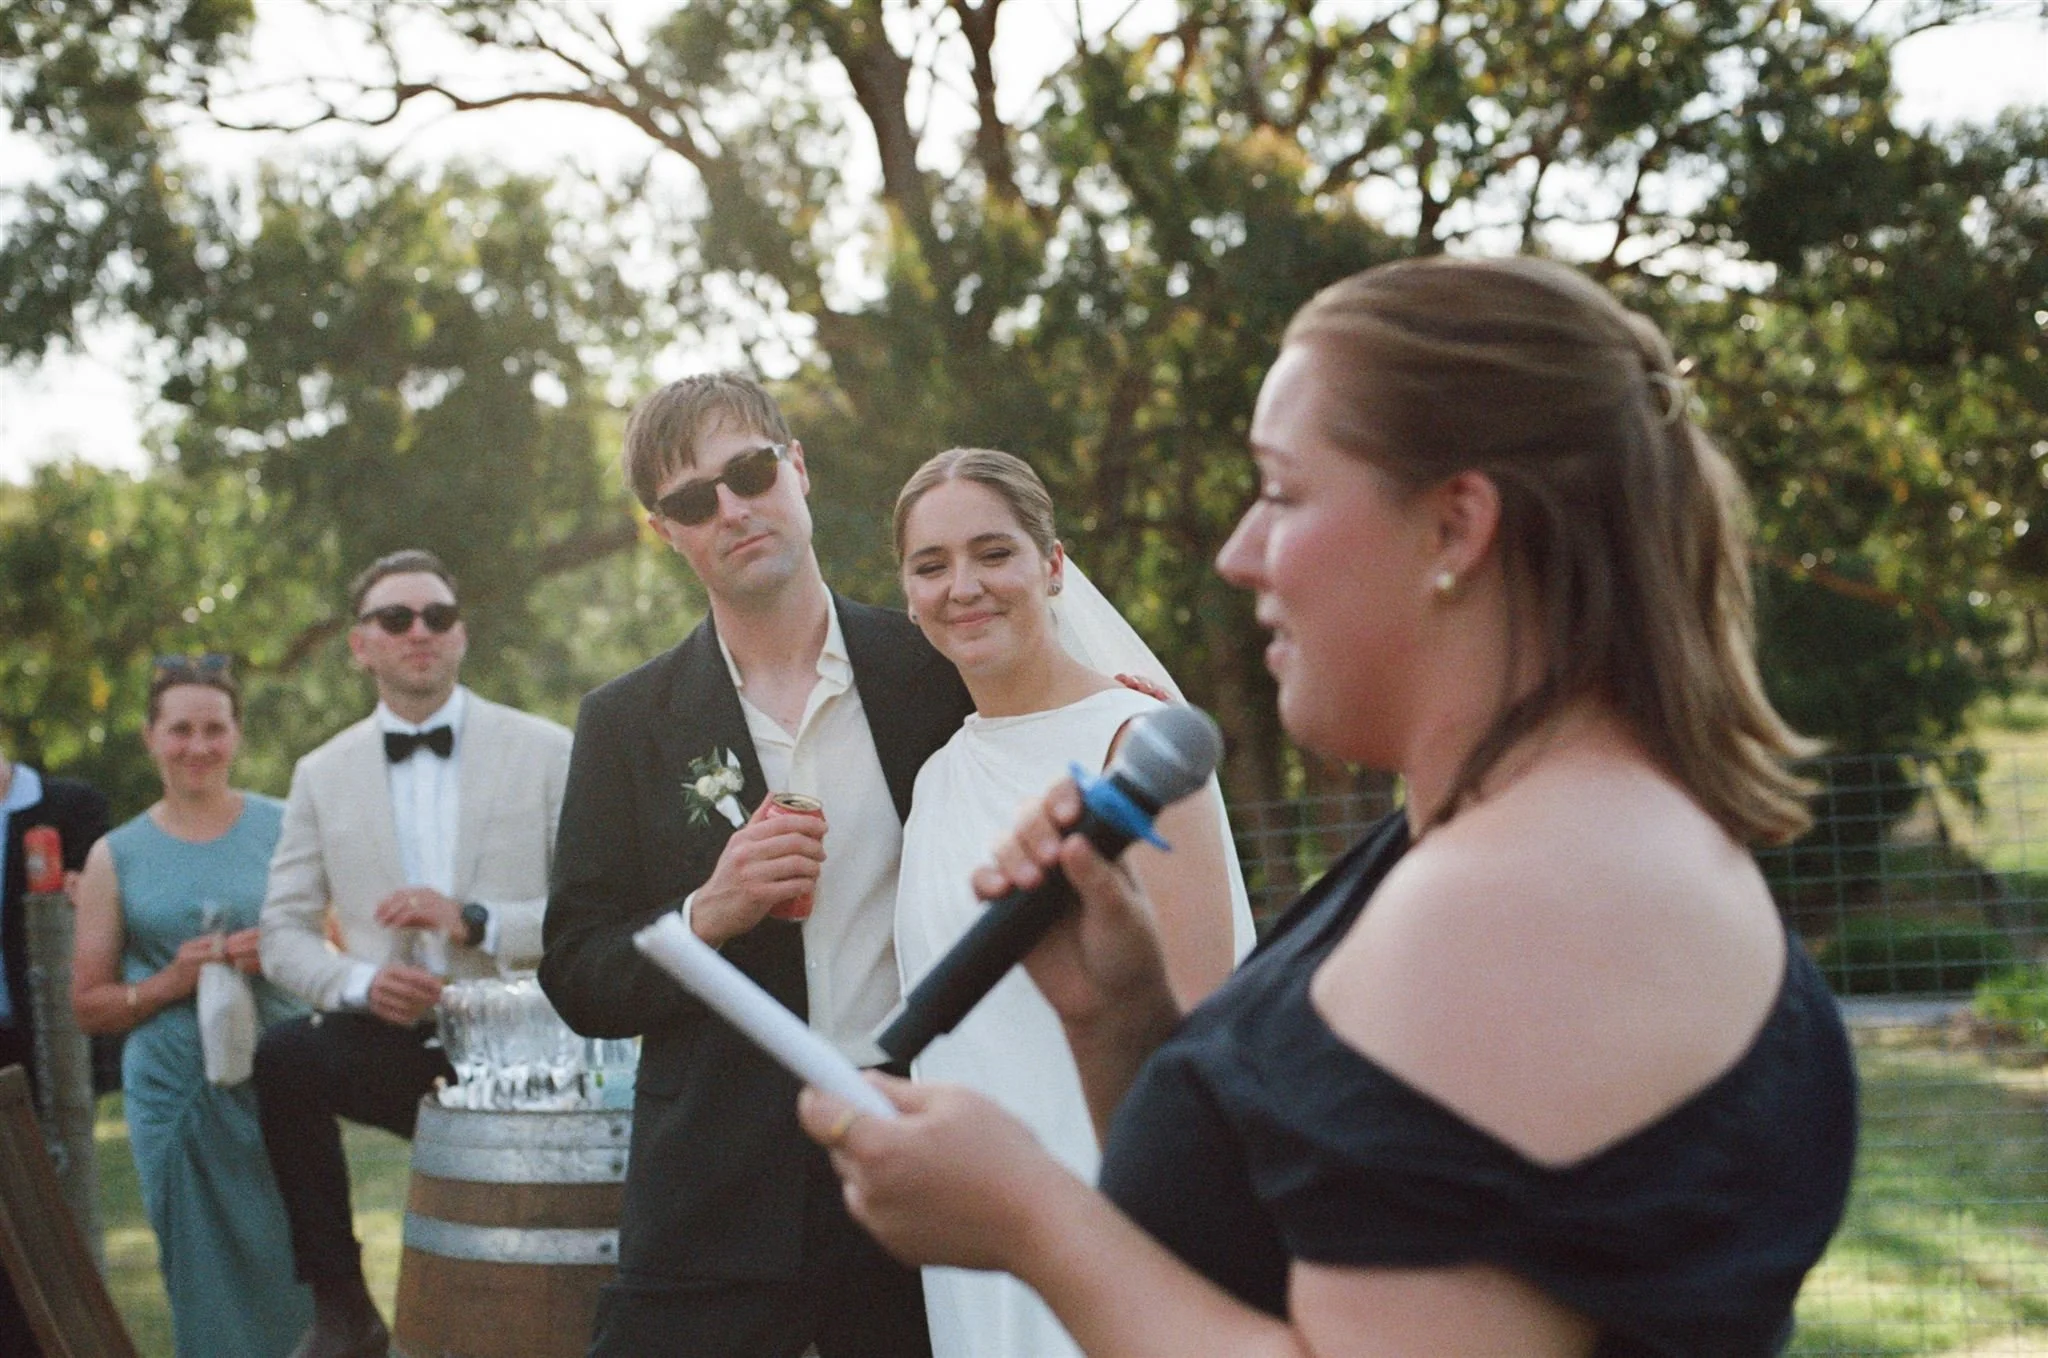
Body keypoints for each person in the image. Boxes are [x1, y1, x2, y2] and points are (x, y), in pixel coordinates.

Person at [800, 256, 1859, 1357]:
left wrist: (1026, 1217)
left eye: (1281, 491)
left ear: (1453, 529)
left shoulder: (1524, 901)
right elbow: (1266, 1252)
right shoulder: (1479, 837)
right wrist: (1118, 1023)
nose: (1236, 551)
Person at [539, 371, 975, 1357]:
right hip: (712, 1191)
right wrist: (708, 909)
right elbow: (576, 971)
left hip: (910, 1156)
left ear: (795, 466)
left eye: (747, 470)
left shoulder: (932, 672)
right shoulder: (623, 724)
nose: (731, 507)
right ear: (666, 532)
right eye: (693, 499)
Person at [890, 447, 1255, 1358]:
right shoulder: (936, 780)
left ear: (1053, 567)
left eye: (993, 553)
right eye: (931, 567)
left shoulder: (1134, 749)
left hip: (1117, 1223)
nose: (962, 587)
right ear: (907, 596)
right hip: (979, 1234)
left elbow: (1206, 1021)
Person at [255, 549, 572, 1358]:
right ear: (361, 645)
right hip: (390, 1039)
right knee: (286, 1058)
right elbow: (283, 931)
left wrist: (476, 921)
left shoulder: (544, 749)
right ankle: (343, 1308)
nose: (419, 631)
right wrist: (361, 983)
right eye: (396, 619)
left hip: (526, 1038)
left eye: (438, 616)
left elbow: (591, 911)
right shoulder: (320, 773)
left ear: (462, 636)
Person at [70, 656, 312, 1358]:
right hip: (175, 1094)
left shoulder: (286, 825)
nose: (198, 746)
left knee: (301, 1264)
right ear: (150, 736)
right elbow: (87, 1005)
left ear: (237, 734)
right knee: (202, 1281)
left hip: (283, 1080)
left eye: (215, 728)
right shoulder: (116, 855)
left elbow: (337, 947)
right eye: (180, 729)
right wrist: (170, 981)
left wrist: (278, 952)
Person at [0, 739, 109, 1356]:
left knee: (48, 1214)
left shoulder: (70, 807)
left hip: (41, 1042)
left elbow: (108, 899)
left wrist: (86, 890)